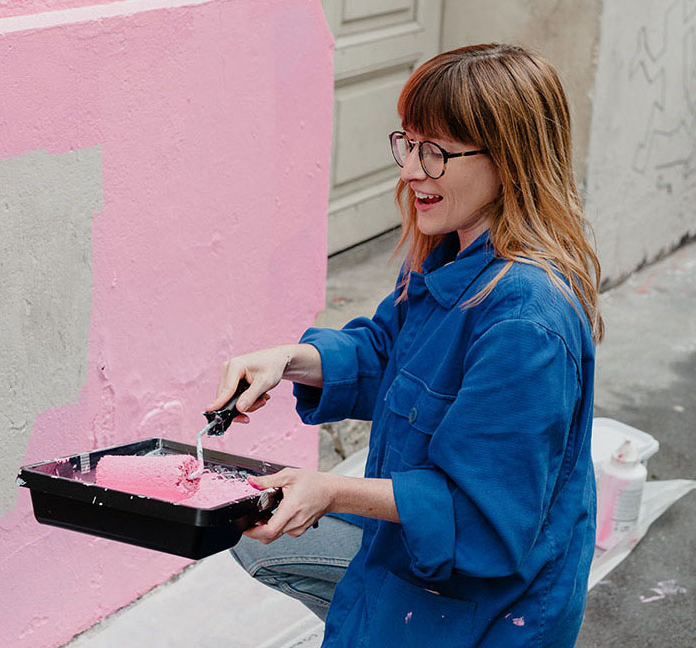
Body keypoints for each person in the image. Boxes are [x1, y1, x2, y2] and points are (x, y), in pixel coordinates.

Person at [210, 43, 603, 648]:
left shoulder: (527, 322)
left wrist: (333, 490)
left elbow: (481, 515)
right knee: (245, 532)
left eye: (437, 152)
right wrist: (288, 361)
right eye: (410, 144)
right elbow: (387, 354)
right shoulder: (447, 253)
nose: (411, 170)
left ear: (511, 159)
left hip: (484, 613)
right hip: (407, 578)